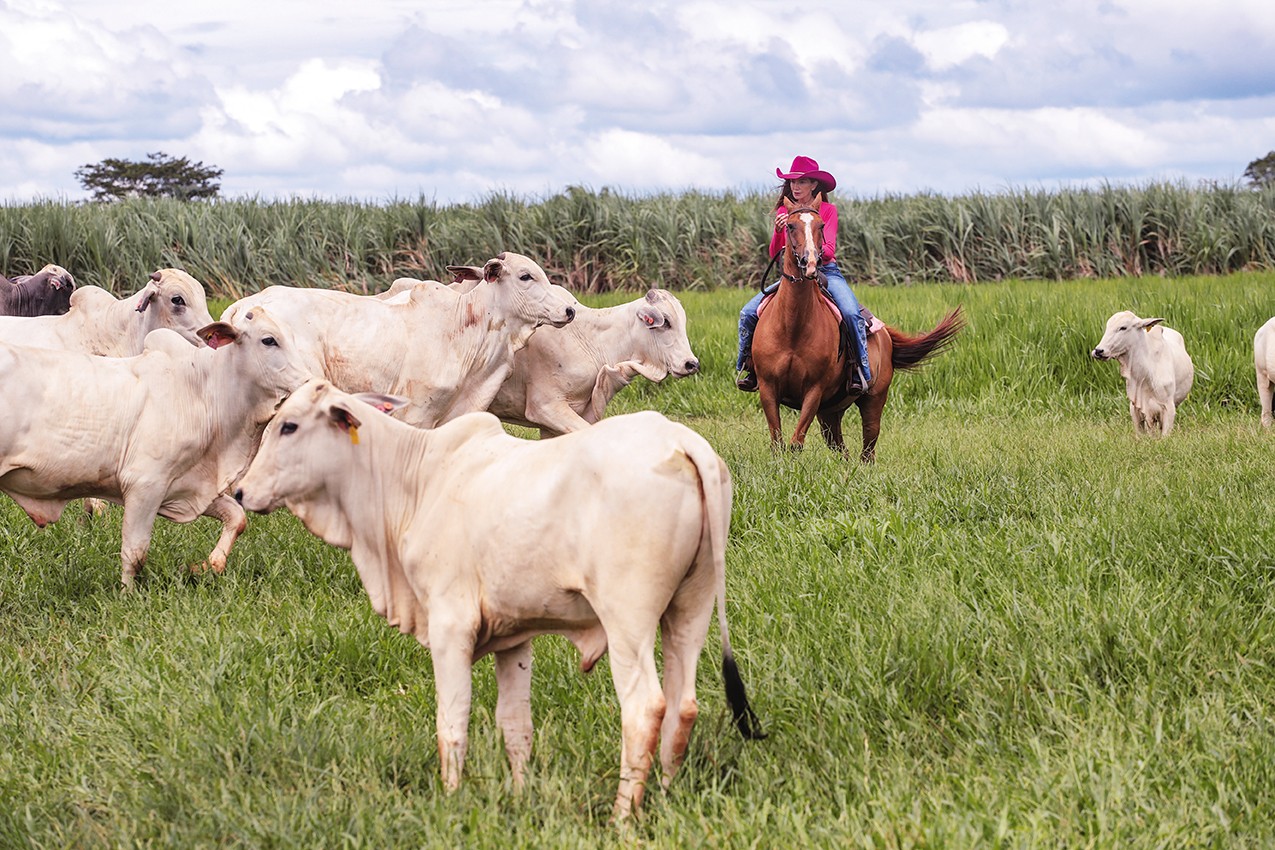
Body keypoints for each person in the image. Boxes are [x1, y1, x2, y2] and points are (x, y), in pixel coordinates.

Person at [736, 155, 871, 393]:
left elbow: (828, 250)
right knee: (748, 312)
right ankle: (748, 368)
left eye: (802, 182)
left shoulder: (827, 210)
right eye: (792, 182)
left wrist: (811, 253)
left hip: (825, 270)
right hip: (793, 274)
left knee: (850, 313)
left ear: (814, 185)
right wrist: (779, 232)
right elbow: (775, 253)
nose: (795, 187)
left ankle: (861, 371)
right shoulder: (784, 211)